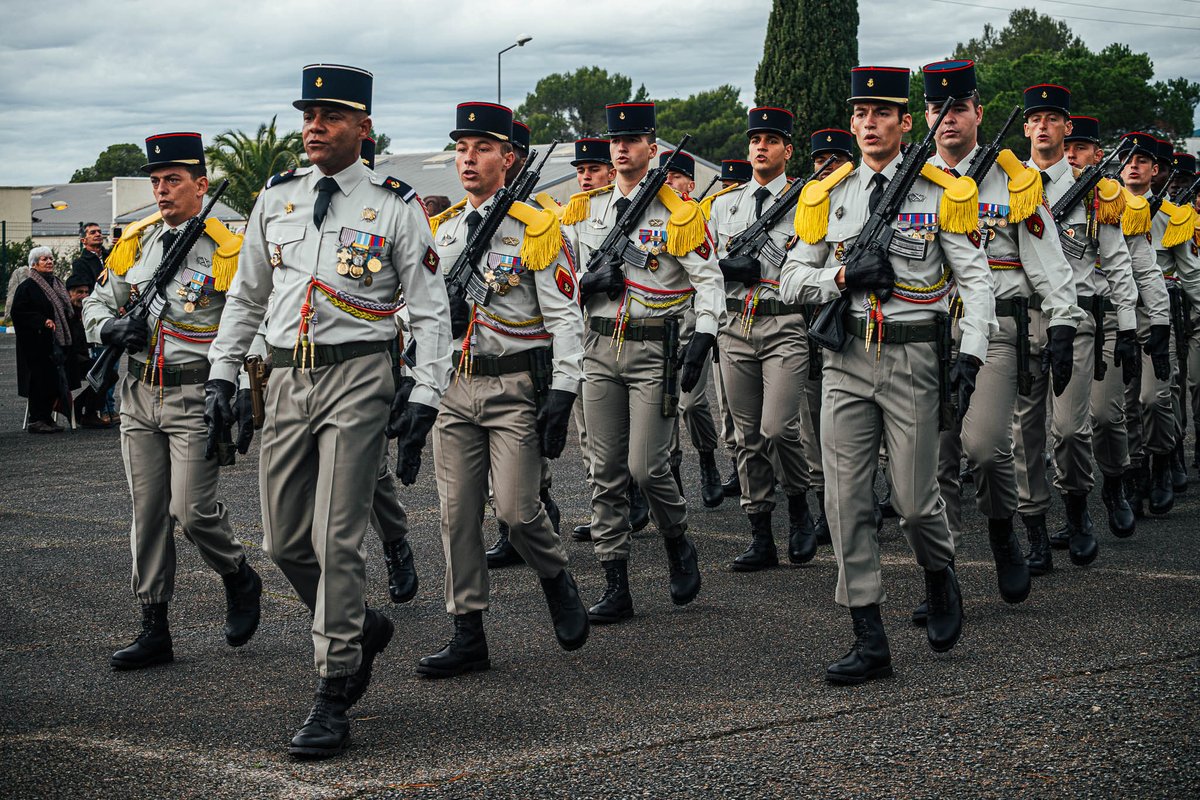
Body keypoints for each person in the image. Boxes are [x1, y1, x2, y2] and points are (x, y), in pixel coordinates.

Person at [207, 64, 452, 759]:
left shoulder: (397, 205)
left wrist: (425, 393)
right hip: (284, 381)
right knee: (282, 543)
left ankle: (333, 684)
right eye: (308, 116)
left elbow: (431, 313)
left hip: (358, 378)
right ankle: (361, 624)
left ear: (362, 129)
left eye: (331, 117)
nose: (314, 128)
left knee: (335, 539)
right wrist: (225, 373)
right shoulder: (276, 198)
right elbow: (247, 298)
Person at [780, 65, 996, 684]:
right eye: (860, 115)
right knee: (846, 503)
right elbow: (793, 278)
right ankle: (868, 635)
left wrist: (971, 354)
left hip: (914, 358)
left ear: (906, 122)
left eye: (882, 114)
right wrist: (841, 278)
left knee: (913, 499)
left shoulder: (941, 194)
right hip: (847, 358)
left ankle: (939, 571)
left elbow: (976, 281)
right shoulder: (829, 195)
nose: (869, 125)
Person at [82, 132, 264, 677]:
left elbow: (250, 320)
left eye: (173, 180)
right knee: (148, 513)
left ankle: (237, 573)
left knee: (192, 510)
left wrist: (242, 389)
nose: (162, 191)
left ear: (200, 185)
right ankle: (153, 623)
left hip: (193, 391)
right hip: (138, 390)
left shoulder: (229, 250)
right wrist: (110, 326)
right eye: (156, 181)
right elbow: (96, 301)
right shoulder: (135, 243)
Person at [419, 101, 588, 677]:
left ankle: (555, 574)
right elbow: (412, 312)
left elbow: (565, 316)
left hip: (514, 384)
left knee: (517, 511)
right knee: (456, 514)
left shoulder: (538, 230)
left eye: (483, 148)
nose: (469, 159)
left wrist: (564, 390)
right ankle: (468, 630)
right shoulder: (438, 234)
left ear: (507, 158)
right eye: (462, 149)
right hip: (452, 388)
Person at [923, 60, 1080, 617]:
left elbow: (1047, 257)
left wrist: (1062, 320)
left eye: (958, 108)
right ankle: (940, 575)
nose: (947, 120)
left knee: (987, 449)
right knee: (935, 461)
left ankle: (1000, 530)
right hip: (928, 332)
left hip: (994, 331)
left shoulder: (1014, 179)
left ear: (978, 113)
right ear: (925, 116)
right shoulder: (911, 181)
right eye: (937, 110)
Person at [565, 101, 720, 623]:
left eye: (632, 140)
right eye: (616, 141)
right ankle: (615, 581)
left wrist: (705, 334)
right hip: (600, 346)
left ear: (652, 150)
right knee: (605, 472)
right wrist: (589, 284)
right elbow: (564, 285)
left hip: (655, 347)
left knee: (647, 467)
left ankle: (677, 537)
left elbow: (708, 279)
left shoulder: (678, 215)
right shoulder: (587, 212)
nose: (622, 147)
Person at [1011, 84, 1138, 568]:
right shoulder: (1008, 186)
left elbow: (1120, 264)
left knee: (1069, 429)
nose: (1043, 126)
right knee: (1025, 434)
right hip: (1025, 319)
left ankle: (1081, 507)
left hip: (1079, 319)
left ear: (1067, 129)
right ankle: (1037, 529)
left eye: (1052, 119)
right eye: (1035, 119)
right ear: (1025, 129)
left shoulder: (1097, 191)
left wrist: (1128, 326)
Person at [709, 105, 819, 570]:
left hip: (784, 322)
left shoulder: (807, 200)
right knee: (747, 436)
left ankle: (798, 506)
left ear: (787, 150)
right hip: (736, 325)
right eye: (755, 139)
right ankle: (760, 531)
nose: (760, 146)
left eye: (771, 140)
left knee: (779, 429)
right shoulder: (724, 204)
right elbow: (706, 265)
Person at [1060, 118, 1161, 548]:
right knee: (1065, 429)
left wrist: (1134, 326)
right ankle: (1074, 506)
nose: (1071, 155)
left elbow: (1128, 268)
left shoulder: (1107, 200)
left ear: (1097, 156)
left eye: (1080, 148)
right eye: (1067, 147)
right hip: (1053, 323)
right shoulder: (1032, 190)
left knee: (1105, 417)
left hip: (1099, 321)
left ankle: (1115, 481)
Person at [562, 137, 650, 543]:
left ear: (612, 172)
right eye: (581, 171)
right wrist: (586, 281)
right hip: (588, 329)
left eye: (593, 170)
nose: (586, 177)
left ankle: (637, 492)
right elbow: (560, 277)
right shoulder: (575, 215)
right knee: (589, 432)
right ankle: (608, 503)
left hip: (636, 331)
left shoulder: (643, 207)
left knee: (640, 444)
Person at [1119, 133, 1200, 515]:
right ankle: (1136, 473)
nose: (1133, 166)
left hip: (1159, 317)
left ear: (1156, 171)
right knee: (1125, 403)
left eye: (1142, 161)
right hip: (1116, 316)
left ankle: (1163, 461)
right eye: (1127, 160)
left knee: (1156, 398)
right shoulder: (1103, 210)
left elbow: (1193, 276)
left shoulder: (1176, 218)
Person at [12, 247, 70, 433]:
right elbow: (18, 313)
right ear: (34, 265)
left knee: (53, 380)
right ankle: (36, 420)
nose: (49, 262)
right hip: (35, 344)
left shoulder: (56, 284)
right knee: (39, 381)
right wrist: (41, 320)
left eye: (51, 258)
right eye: (44, 259)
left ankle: (46, 418)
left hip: (54, 343)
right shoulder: (27, 287)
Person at [69, 222, 109, 287]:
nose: (98, 234)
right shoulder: (80, 263)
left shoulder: (111, 255)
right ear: (83, 240)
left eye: (99, 232)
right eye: (93, 233)